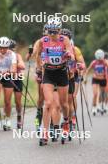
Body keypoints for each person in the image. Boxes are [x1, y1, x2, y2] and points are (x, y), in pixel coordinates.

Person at [35, 17, 74, 146]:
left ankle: (66, 123)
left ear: (59, 30)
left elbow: (72, 55)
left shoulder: (65, 40)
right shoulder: (43, 41)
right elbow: (38, 54)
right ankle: (45, 132)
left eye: (55, 32)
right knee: (48, 103)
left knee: (63, 104)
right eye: (50, 32)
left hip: (62, 72)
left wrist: (68, 54)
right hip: (49, 73)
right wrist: (39, 67)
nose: (52, 34)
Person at [60, 28, 86, 132]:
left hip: (73, 75)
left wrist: (80, 68)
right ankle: (64, 119)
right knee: (62, 101)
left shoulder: (75, 49)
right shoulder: (56, 47)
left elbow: (82, 63)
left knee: (72, 97)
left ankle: (72, 117)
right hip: (60, 76)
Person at [84, 49, 108, 115]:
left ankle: (101, 105)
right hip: (95, 79)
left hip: (103, 79)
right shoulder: (94, 62)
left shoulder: (105, 62)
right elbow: (87, 70)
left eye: (101, 58)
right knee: (95, 94)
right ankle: (94, 107)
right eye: (98, 58)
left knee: (102, 94)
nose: (99, 60)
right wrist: (85, 78)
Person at [9, 39, 25, 129]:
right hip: (8, 78)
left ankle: (19, 116)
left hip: (17, 78)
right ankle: (7, 119)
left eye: (13, 49)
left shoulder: (17, 56)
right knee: (7, 100)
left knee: (17, 101)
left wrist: (15, 64)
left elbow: (23, 66)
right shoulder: (3, 56)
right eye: (10, 49)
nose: (11, 51)